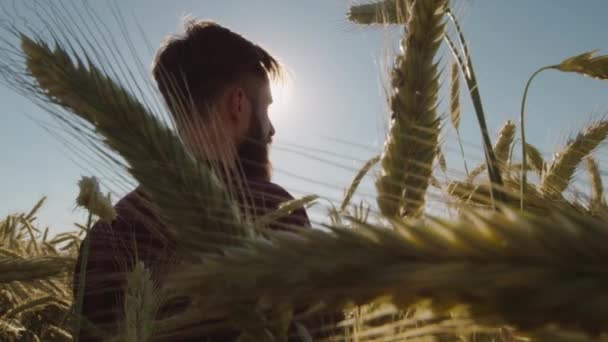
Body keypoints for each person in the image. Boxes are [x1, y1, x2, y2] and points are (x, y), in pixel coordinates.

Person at [72, 19, 316, 341]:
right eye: (266, 109)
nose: (271, 129)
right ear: (238, 103)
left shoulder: (106, 231)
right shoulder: (279, 211)